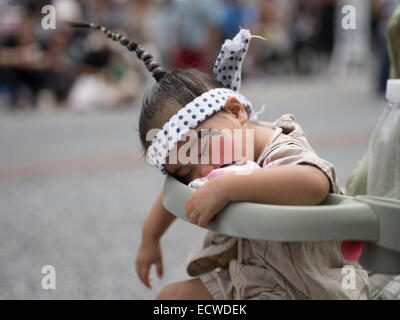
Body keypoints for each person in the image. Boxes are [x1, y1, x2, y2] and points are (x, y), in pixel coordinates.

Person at [69, 22, 369, 300]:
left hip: (306, 284)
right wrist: (151, 237)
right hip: (249, 274)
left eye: (202, 149)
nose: (202, 171)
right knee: (169, 299)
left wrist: (228, 189)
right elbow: (172, 194)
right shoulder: (220, 160)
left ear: (237, 112)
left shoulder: (280, 147)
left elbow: (312, 184)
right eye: (185, 171)